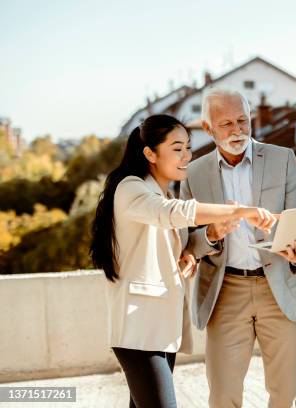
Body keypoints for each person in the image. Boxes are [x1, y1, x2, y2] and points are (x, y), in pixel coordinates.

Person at [90, 114, 276, 408]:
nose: (187, 156)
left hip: (162, 326)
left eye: (188, 147)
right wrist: (240, 211)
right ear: (150, 153)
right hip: (139, 329)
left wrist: (210, 236)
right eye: (177, 148)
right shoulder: (131, 187)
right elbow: (171, 212)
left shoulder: (160, 191)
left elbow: (181, 247)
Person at [181, 88, 296, 407]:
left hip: (280, 288)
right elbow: (186, 243)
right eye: (226, 124)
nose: (237, 130)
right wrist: (212, 233)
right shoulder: (193, 173)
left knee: (285, 394)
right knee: (223, 396)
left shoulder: (282, 158)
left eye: (242, 121)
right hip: (225, 290)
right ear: (207, 129)